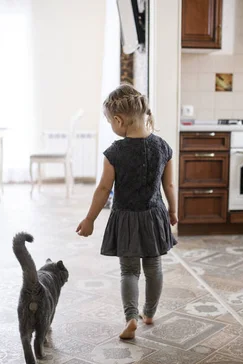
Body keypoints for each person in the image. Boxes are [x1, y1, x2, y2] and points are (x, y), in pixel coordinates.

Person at [76, 84, 178, 340]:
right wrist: (173, 211)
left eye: (111, 121)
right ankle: (150, 313)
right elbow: (169, 185)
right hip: (154, 215)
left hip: (126, 218)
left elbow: (103, 189)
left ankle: (131, 317)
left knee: (129, 271)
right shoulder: (163, 147)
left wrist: (89, 219)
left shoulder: (115, 153)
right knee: (154, 268)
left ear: (119, 120)